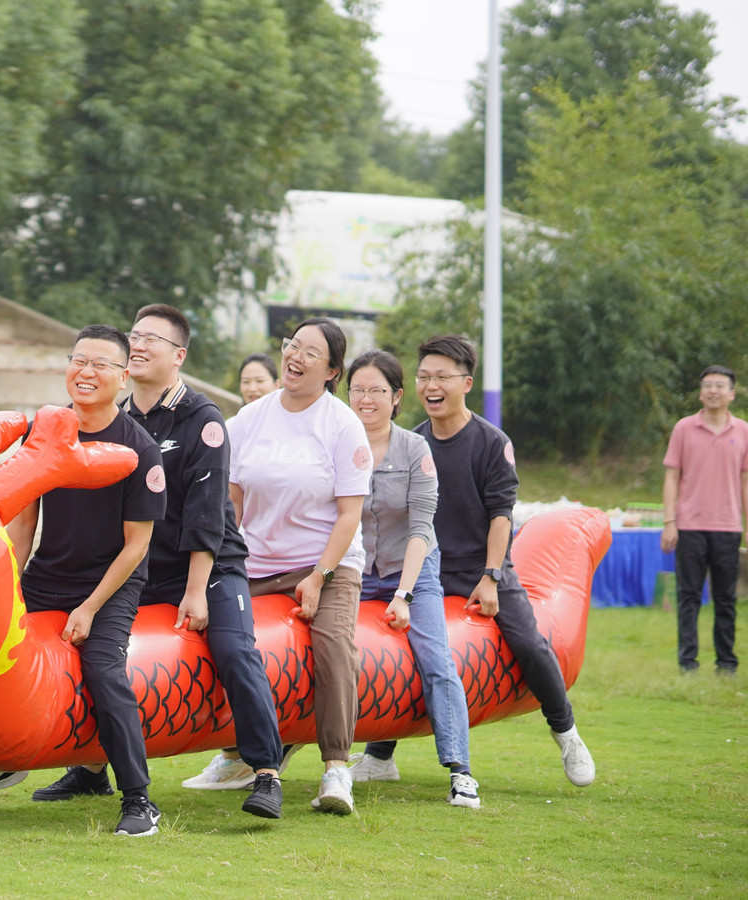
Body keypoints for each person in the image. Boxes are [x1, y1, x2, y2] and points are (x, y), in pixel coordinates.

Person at [51, 303, 284, 820]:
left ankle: (265, 771)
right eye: (135, 335)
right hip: (141, 567)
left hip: (208, 565)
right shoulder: (117, 415)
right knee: (93, 649)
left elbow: (206, 516)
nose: (139, 344)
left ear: (178, 356)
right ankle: (90, 769)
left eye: (153, 338)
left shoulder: (203, 420)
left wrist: (197, 590)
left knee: (233, 650)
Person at [0, 325, 169, 837]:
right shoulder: (44, 430)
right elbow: (23, 524)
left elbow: (137, 546)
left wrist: (88, 608)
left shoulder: (140, 450)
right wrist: (9, 587)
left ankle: (138, 797)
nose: (86, 373)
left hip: (110, 583)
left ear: (125, 374)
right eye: (78, 360)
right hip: (49, 574)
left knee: (104, 672)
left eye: (101, 365)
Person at [365, 334, 594, 786]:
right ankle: (378, 754)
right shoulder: (410, 442)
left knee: (528, 641)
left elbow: (501, 516)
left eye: (442, 377)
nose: (432, 385)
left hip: (479, 566)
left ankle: (565, 730)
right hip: (425, 566)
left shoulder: (491, 442)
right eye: (424, 376)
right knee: (395, 647)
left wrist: (491, 578)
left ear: (466, 383)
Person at [185, 316, 370, 815]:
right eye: (293, 345)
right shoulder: (249, 419)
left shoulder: (342, 423)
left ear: (332, 370)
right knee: (226, 638)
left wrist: (319, 577)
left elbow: (351, 513)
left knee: (332, 645)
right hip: (255, 563)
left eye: (312, 352)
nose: (296, 356)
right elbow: (231, 501)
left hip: (326, 564)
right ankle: (236, 755)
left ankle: (336, 769)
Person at [341, 350, 479, 809]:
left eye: (377, 390)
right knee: (326, 653)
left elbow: (422, 528)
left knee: (436, 661)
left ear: (397, 397)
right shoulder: (336, 445)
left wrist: (403, 594)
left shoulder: (414, 449)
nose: (366, 399)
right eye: (357, 389)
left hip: (412, 571)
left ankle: (460, 771)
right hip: (356, 570)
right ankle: (274, 761)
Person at [661, 366, 747, 675]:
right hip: (690, 525)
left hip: (728, 527)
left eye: (720, 386)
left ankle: (726, 663)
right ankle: (688, 663)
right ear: (700, 393)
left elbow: (745, 482)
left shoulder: (743, 431)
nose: (713, 390)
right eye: (708, 385)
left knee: (726, 598)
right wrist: (670, 521)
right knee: (689, 596)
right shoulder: (684, 428)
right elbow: (672, 477)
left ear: (731, 394)